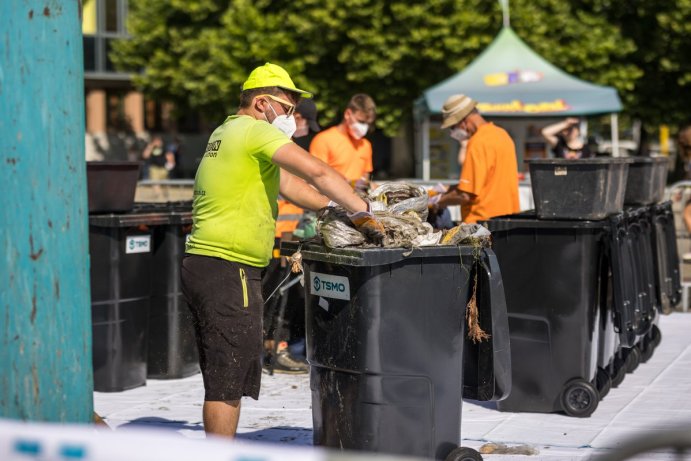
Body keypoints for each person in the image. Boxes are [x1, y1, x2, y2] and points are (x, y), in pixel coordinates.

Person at [181, 62, 384, 438]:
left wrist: (328, 208)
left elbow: (289, 184)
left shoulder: (227, 131)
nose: (292, 117)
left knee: (224, 372)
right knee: (227, 381)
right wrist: (365, 214)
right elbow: (318, 172)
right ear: (262, 103)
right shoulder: (254, 132)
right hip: (228, 268)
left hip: (207, 266)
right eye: (287, 109)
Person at [430, 94, 520, 223]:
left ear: (463, 120)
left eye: (452, 127)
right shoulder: (502, 135)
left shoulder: (477, 142)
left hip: (482, 224)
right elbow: (486, 184)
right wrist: (448, 189)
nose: (452, 132)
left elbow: (465, 195)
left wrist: (436, 202)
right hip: (507, 222)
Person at [310, 94, 376, 193]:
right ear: (348, 114)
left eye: (368, 123)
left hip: (358, 203)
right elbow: (316, 178)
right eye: (361, 121)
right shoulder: (323, 140)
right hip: (330, 203)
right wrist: (349, 183)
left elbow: (364, 181)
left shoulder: (365, 145)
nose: (364, 127)